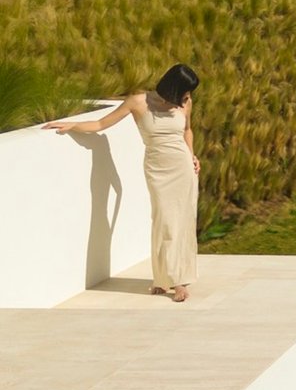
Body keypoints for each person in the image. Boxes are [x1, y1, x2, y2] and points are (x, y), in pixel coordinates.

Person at [48, 63, 201, 302]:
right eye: (184, 91)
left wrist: (192, 155)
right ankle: (163, 278)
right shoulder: (138, 102)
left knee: (181, 222)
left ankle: (178, 281)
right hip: (158, 169)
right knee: (163, 220)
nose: (188, 97)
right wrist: (72, 126)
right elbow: (101, 124)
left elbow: (188, 131)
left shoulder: (185, 103)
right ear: (173, 86)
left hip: (183, 168)